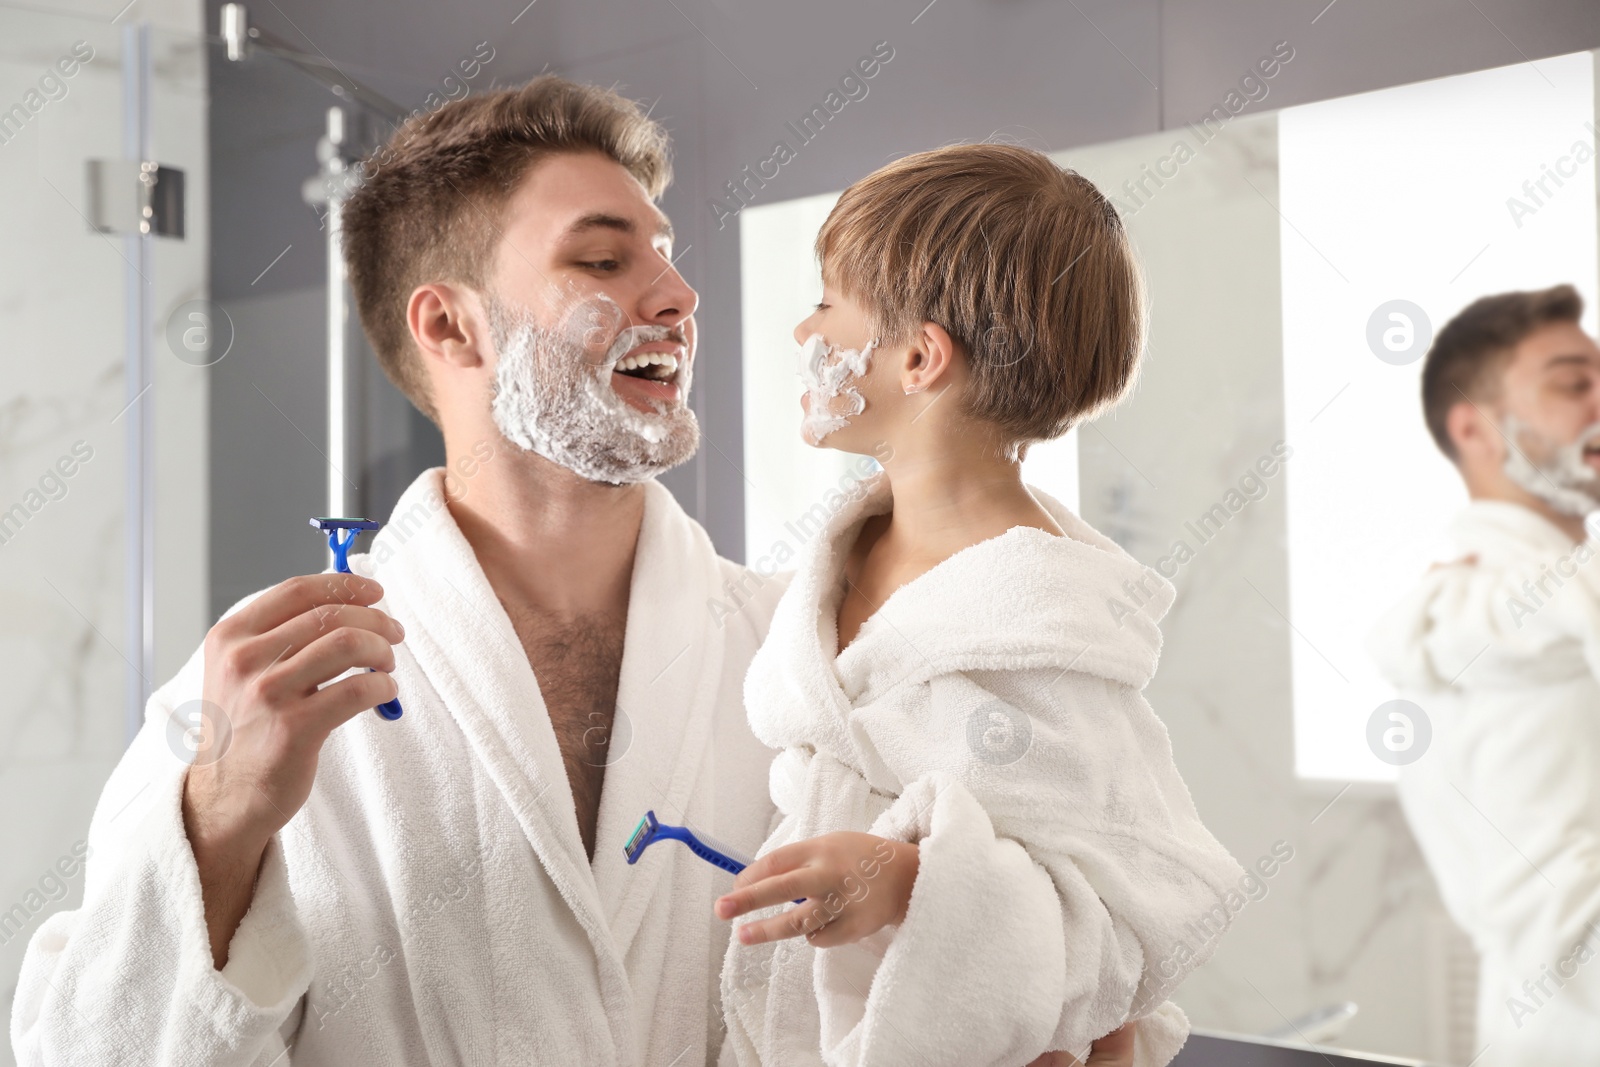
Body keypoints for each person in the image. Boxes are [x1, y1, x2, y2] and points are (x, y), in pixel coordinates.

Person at [10, 77, 1138, 1067]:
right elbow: (88, 1050)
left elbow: (1031, 964)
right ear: (452, 328)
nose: (678, 296)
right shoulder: (267, 698)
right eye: (603, 259)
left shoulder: (816, 663)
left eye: (667, 255)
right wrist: (217, 823)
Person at [712, 145, 1243, 1067]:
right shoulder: (838, 561)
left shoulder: (1042, 624)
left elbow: (1131, 917)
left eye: (829, 301)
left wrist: (914, 882)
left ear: (919, 356)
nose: (806, 329)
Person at [1368, 284, 1600, 1065]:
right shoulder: (1505, 608)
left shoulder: (1504, 598)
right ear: (1475, 429)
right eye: (1573, 382)